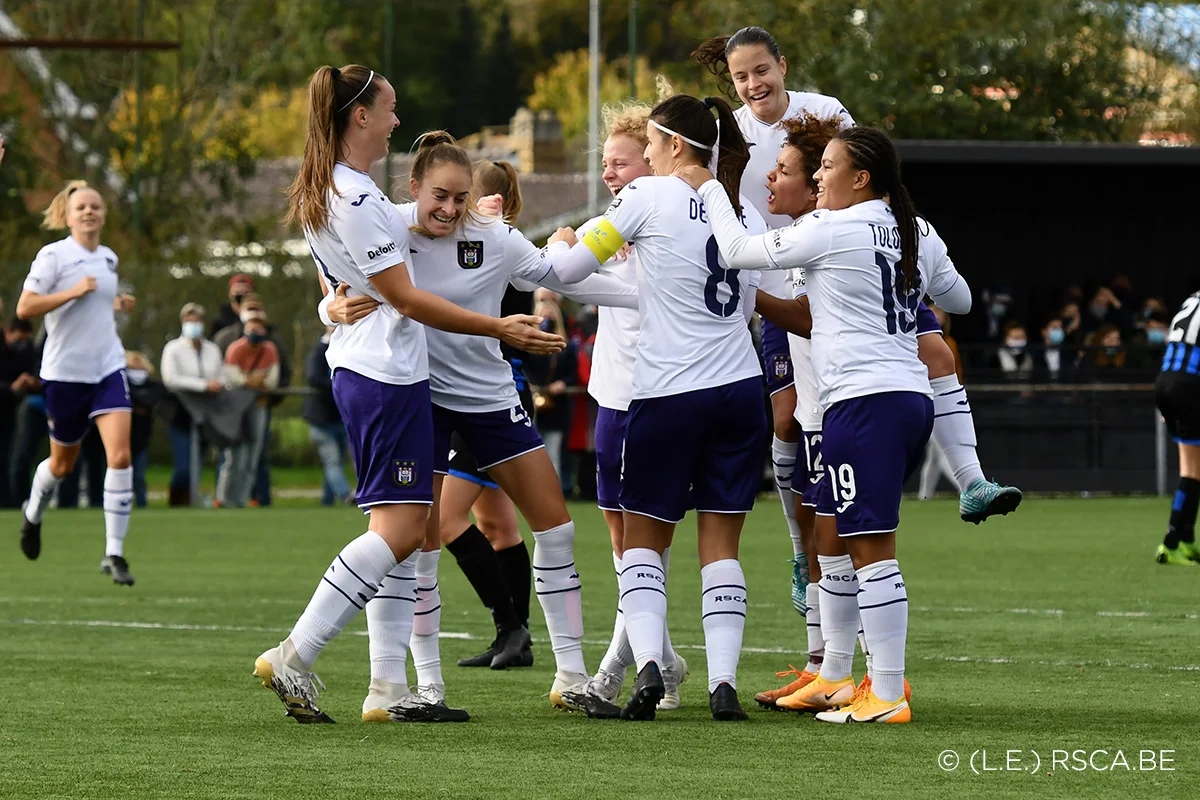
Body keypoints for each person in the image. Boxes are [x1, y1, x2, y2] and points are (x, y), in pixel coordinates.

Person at [253, 63, 562, 725]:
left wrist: (331, 304)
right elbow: (402, 297)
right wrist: (496, 325)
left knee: (404, 534)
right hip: (384, 376)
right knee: (398, 533)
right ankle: (297, 654)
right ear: (360, 116)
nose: (398, 121)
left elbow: (346, 278)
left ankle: (387, 689)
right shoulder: (356, 196)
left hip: (373, 370)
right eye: (389, 109)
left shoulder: (342, 188)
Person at [324, 130, 637, 716]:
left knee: (556, 526)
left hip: (492, 398)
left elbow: (560, 273)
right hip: (421, 399)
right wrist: (327, 307)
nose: (448, 209)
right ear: (413, 188)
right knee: (418, 544)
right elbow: (334, 277)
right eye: (438, 195)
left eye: (460, 198)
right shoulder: (385, 224)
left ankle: (569, 675)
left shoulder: (494, 237)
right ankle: (428, 685)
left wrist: (644, 295)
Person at [678, 125, 973, 724]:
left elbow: (736, 253)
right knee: (849, 540)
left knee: (870, 547)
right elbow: (959, 299)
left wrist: (708, 188)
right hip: (906, 398)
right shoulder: (914, 229)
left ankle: (887, 692)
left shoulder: (832, 228)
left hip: (863, 401)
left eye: (827, 167)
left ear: (860, 178)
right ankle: (843, 676)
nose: (816, 177)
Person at [547, 93, 769, 722]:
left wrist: (564, 238)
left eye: (649, 143)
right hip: (738, 390)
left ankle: (647, 671)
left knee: (642, 542)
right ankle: (722, 685)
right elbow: (750, 304)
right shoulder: (741, 206)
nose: (643, 154)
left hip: (669, 390)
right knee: (721, 542)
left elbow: (566, 268)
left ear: (674, 144)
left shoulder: (645, 196)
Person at [693, 27, 851, 621]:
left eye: (762, 70)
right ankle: (799, 550)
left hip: (827, 276)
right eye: (742, 77)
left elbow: (862, 179)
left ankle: (966, 475)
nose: (754, 84)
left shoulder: (826, 113)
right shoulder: (729, 131)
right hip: (771, 283)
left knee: (836, 420)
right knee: (786, 420)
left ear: (783, 65)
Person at [576, 100, 688, 712]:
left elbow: (592, 281)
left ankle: (615, 673)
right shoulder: (617, 225)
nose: (611, 174)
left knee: (639, 550)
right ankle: (664, 665)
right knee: (627, 548)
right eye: (607, 163)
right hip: (611, 400)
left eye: (622, 161)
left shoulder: (660, 230)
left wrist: (564, 259)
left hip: (650, 399)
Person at [15, 179, 138, 586]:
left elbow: (96, 308)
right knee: (61, 465)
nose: (89, 212)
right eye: (81, 207)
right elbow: (26, 307)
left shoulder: (108, 258)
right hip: (65, 375)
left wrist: (115, 303)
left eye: (95, 207)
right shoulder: (53, 256)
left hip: (107, 367)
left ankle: (114, 553)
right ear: (67, 216)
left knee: (119, 456)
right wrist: (71, 292)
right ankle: (33, 514)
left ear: (103, 215)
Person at [160, 303, 225, 506]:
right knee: (184, 467)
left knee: (197, 464)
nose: (193, 325)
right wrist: (203, 385)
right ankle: (176, 503)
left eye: (197, 321)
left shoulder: (212, 349)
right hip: (180, 413)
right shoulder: (173, 349)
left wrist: (218, 384)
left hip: (206, 413)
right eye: (189, 321)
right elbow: (171, 379)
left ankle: (191, 501)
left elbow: (221, 375)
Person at [1154, 289, 1200, 565]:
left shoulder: (1190, 300)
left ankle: (1187, 540)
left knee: (1193, 470)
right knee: (1192, 472)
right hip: (1190, 386)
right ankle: (1171, 543)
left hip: (1166, 382)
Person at [217, 315, 279, 508]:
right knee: (234, 456)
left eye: (258, 330)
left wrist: (248, 380)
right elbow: (233, 379)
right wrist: (254, 380)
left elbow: (271, 381)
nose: (255, 333)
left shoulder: (269, 350)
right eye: (251, 329)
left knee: (252, 456)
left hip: (258, 406)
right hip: (236, 410)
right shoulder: (235, 349)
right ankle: (224, 498)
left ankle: (241, 500)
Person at [303, 326, 353, 505]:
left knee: (335, 461)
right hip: (321, 419)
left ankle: (327, 499)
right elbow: (313, 378)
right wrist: (340, 383)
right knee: (333, 461)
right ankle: (346, 495)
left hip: (339, 417)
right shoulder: (318, 351)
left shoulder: (348, 348)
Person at [1, 314, 37, 508]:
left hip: (7, 413)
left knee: (7, 457)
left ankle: (10, 500)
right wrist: (11, 387)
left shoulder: (20, 354)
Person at [124, 350, 162, 508]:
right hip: (123, 438)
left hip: (141, 438)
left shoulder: (153, 385)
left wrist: (134, 402)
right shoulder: (121, 384)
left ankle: (141, 504)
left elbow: (149, 398)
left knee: (138, 475)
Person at [209, 273, 255, 339]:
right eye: (237, 289)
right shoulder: (221, 319)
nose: (241, 292)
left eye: (245, 290)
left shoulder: (256, 313)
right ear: (230, 293)